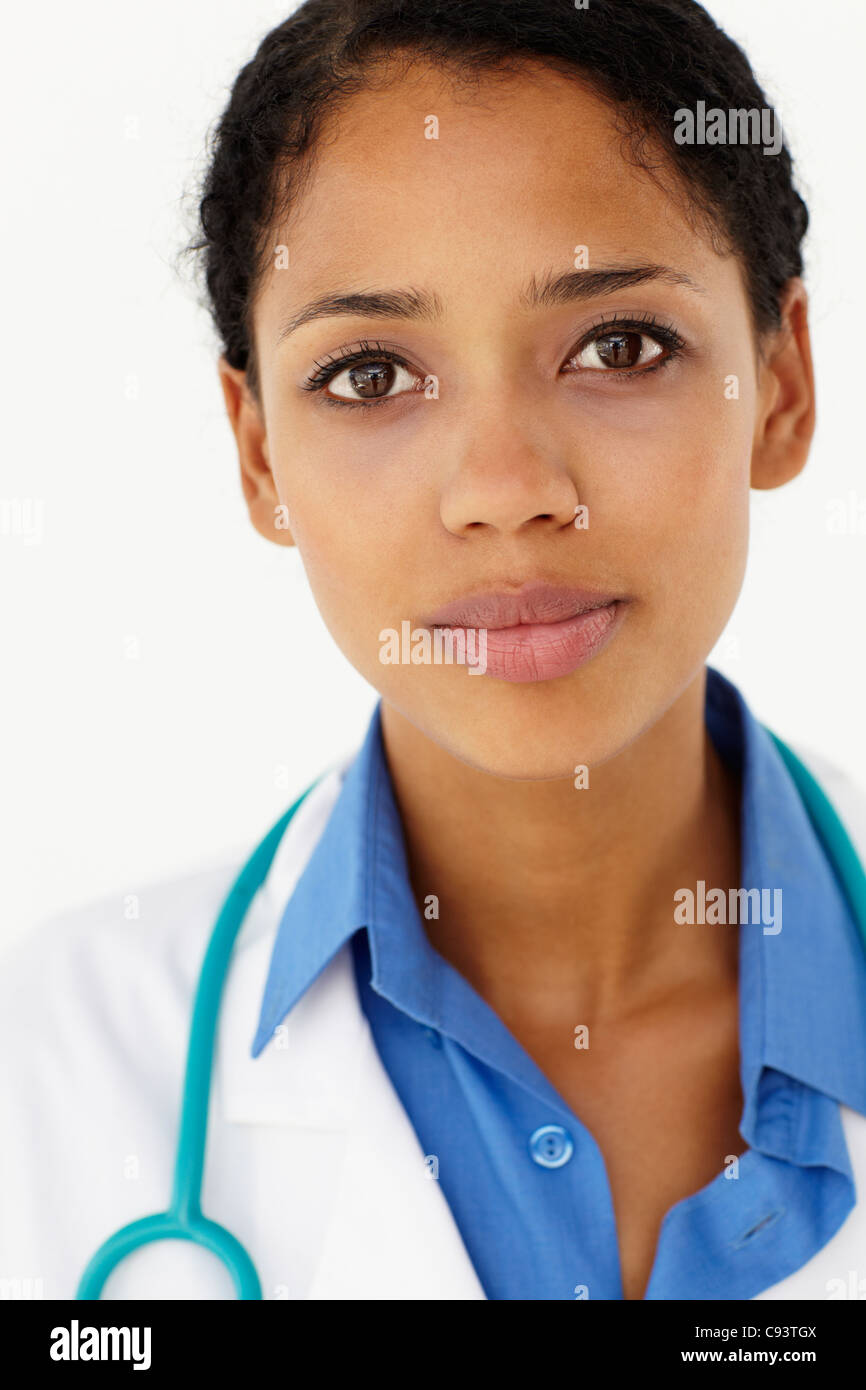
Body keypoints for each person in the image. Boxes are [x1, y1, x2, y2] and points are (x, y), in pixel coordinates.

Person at [3, 0, 865, 1303]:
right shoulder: (46, 1072)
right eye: (368, 374)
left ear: (780, 383)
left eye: (617, 346)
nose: (504, 487)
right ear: (257, 458)